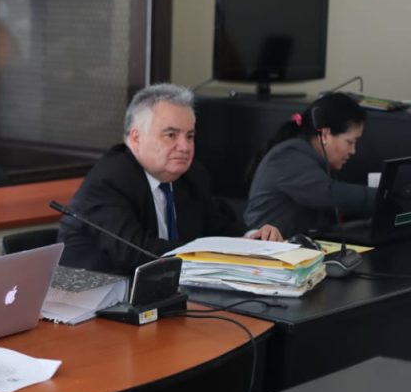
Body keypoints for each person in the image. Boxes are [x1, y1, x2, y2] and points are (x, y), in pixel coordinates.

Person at [58, 83, 281, 275]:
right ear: (136, 138)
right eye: (171, 135)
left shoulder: (192, 175)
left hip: (161, 292)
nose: (184, 147)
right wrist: (213, 253)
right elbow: (136, 251)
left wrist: (253, 238)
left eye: (190, 136)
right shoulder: (110, 180)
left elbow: (216, 226)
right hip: (96, 297)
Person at [245, 93, 374, 237]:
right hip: (265, 247)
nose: (353, 151)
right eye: (350, 142)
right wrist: (382, 196)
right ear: (324, 135)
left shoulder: (309, 157)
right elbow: (329, 194)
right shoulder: (288, 157)